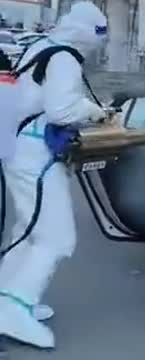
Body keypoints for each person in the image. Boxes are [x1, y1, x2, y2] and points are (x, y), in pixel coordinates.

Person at [0, 2, 108, 349]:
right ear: (90, 34)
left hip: (19, 148)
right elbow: (61, 109)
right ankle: (16, 308)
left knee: (28, 229)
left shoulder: (41, 45)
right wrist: (96, 111)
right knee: (58, 238)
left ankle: (7, 296)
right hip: (35, 154)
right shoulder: (64, 58)